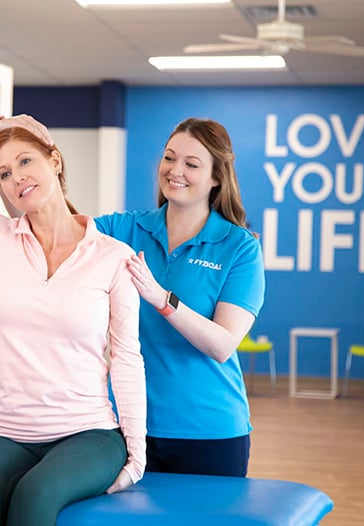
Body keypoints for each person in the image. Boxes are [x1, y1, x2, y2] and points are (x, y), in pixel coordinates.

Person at [0, 114, 146, 526]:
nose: (16, 177)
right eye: (4, 173)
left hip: (87, 432)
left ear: (55, 160)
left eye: (26, 161)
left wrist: (136, 450)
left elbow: (126, 357)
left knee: (35, 494)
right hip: (6, 431)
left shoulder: (112, 256)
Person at [94, 117, 265, 478]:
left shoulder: (240, 247)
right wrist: (25, 165)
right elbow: (50, 229)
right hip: (126, 425)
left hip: (208, 433)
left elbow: (222, 344)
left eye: (191, 164)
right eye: (170, 158)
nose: (175, 171)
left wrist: (161, 299)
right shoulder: (124, 229)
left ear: (217, 177)